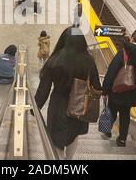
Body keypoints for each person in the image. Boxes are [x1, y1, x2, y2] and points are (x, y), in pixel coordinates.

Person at [35, 27, 102, 160]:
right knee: (73, 134)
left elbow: (44, 89)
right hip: (79, 105)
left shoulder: (55, 60)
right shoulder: (88, 60)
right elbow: (97, 86)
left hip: (58, 105)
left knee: (56, 138)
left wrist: (35, 108)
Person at [102, 29, 136, 147]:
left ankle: (107, 132)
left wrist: (105, 89)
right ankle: (122, 140)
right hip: (133, 95)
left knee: (112, 110)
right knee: (125, 114)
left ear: (133, 38)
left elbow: (111, 72)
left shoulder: (124, 52)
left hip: (118, 90)